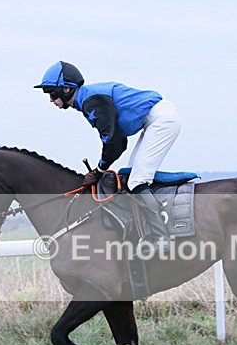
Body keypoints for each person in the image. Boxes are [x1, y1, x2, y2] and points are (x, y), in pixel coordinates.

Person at [34, 61, 180, 253]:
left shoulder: (92, 101)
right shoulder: (87, 100)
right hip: (153, 120)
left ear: (67, 89)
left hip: (160, 120)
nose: (51, 100)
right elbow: (118, 143)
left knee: (137, 180)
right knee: (130, 175)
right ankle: (146, 230)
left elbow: (114, 143)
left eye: (52, 93)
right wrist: (100, 169)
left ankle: (161, 237)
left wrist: (99, 170)